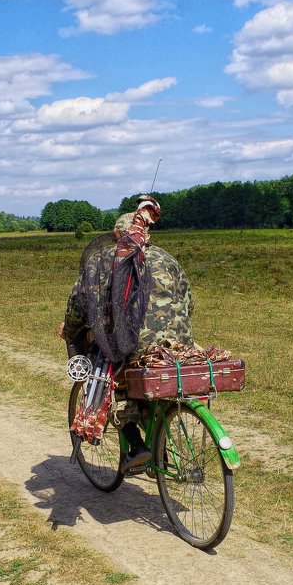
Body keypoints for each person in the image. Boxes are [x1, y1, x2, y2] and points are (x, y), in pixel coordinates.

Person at [57, 195, 193, 472]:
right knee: (152, 385)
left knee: (111, 374)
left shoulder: (105, 259)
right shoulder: (168, 259)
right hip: (179, 345)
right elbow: (189, 304)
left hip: (136, 348)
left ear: (118, 234)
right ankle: (160, 447)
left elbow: (79, 304)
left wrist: (69, 331)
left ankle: (135, 444)